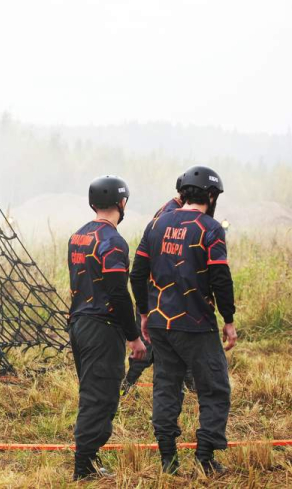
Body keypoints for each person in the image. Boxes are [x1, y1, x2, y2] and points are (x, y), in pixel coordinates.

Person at [130, 165, 237, 476]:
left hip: (161, 324)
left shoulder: (156, 225)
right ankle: (205, 459)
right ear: (212, 195)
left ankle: (168, 460)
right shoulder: (210, 228)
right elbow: (220, 276)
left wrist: (145, 313)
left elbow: (137, 273)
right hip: (196, 324)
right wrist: (228, 320)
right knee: (215, 388)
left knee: (166, 387)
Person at [67, 175, 146, 480]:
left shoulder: (78, 236)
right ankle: (84, 469)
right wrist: (134, 337)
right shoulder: (113, 241)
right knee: (99, 398)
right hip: (102, 328)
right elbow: (117, 293)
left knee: (92, 393)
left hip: (79, 325)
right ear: (121, 203)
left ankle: (88, 459)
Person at [122, 176, 195, 395]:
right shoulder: (171, 215)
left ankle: (188, 386)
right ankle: (126, 386)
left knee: (179, 342)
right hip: (158, 290)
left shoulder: (172, 210)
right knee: (151, 343)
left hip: (159, 288)